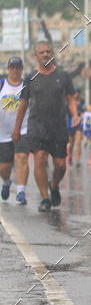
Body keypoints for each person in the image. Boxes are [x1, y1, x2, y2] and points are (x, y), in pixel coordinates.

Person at [12, 41, 79, 212]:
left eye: (48, 52)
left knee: (61, 165)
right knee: (39, 159)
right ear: (36, 56)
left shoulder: (63, 76)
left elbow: (71, 98)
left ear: (53, 54)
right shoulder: (30, 78)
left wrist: (75, 115)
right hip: (37, 126)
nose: (45, 55)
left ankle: (54, 185)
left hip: (58, 128)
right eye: (42, 52)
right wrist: (17, 128)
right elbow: (23, 104)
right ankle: (45, 198)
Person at [0, 56, 30, 205]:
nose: (15, 70)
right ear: (8, 69)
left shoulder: (26, 86)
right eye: (12, 67)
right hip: (3, 133)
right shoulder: (1, 85)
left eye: (18, 67)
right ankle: (6, 181)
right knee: (4, 166)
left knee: (21, 158)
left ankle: (21, 192)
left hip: (23, 130)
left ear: (22, 69)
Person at [67, 90, 84, 166]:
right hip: (71, 123)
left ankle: (78, 160)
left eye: (78, 93)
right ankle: (70, 156)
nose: (76, 94)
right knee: (71, 143)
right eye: (75, 93)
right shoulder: (69, 102)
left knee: (78, 143)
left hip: (79, 124)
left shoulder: (81, 103)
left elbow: (83, 112)